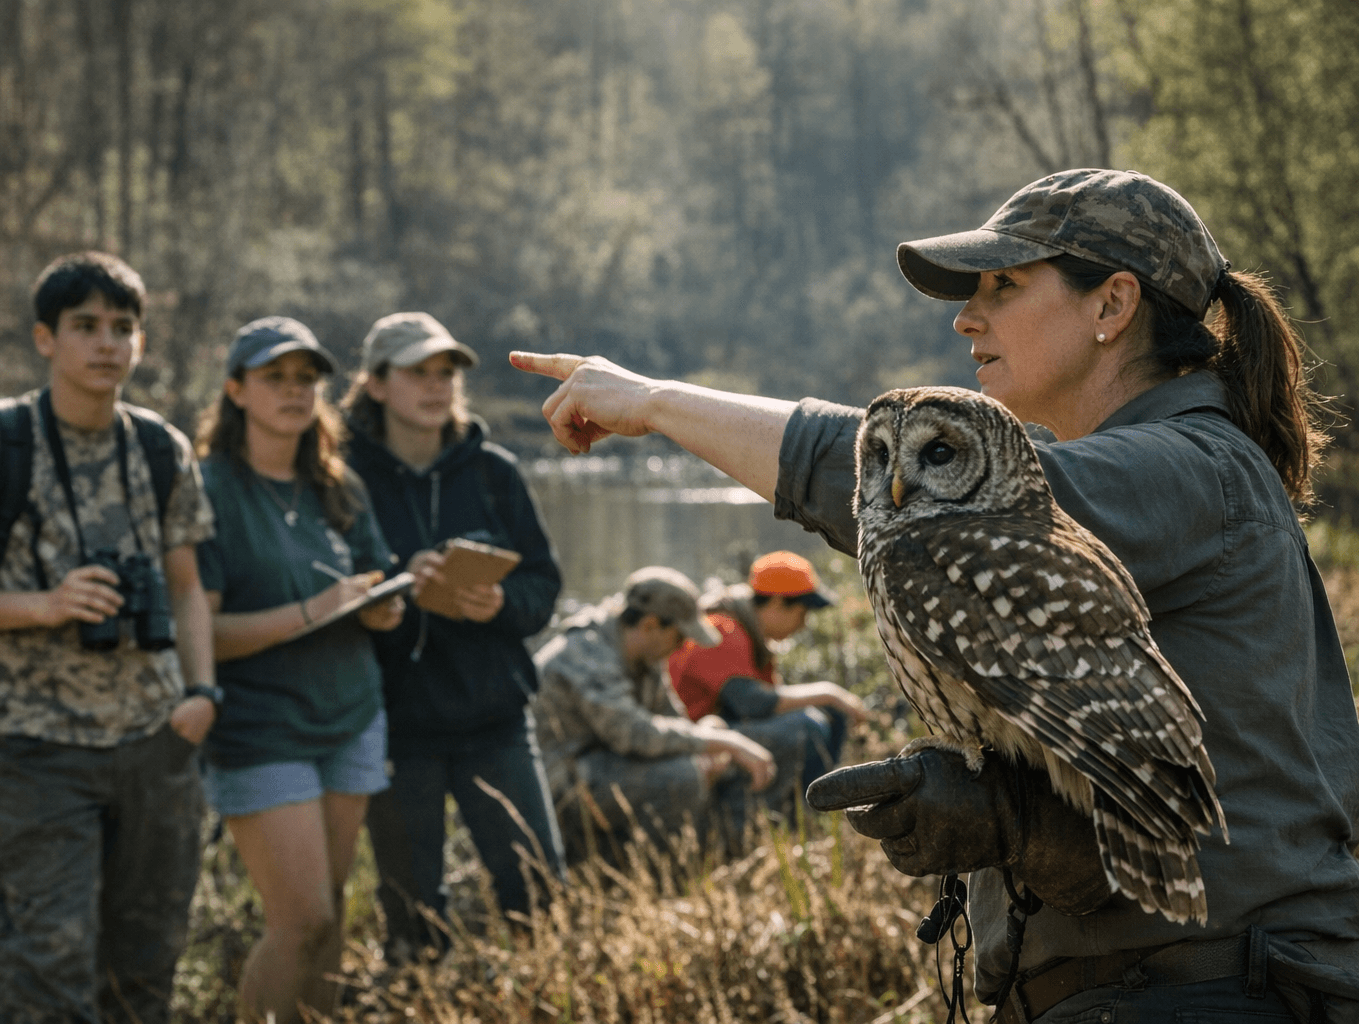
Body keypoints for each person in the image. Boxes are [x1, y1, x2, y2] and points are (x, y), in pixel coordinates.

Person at [512, 168, 1359, 1021]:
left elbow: (958, 512)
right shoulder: (1178, 469)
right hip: (1157, 984)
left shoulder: (1186, 467)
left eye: (1003, 284)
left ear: (1113, 306)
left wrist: (657, 403)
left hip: (1211, 991)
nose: (966, 317)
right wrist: (1011, 814)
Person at [0, 252, 217, 1024]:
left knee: (147, 961)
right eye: (86, 327)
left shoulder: (160, 447)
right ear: (46, 338)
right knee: (49, 960)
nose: (108, 345)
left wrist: (203, 692)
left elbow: (186, 588)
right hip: (35, 746)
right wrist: (44, 605)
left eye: (124, 328)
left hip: (154, 738)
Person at [193, 317, 404, 1021]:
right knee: (300, 922)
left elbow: (370, 585)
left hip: (350, 715)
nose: (294, 392)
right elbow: (203, 635)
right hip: (260, 729)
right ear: (235, 390)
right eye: (274, 378)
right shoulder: (208, 490)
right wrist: (315, 611)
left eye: (307, 379)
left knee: (333, 916)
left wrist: (382, 609)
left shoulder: (338, 485)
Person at [340, 311, 567, 963]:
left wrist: (498, 601)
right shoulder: (340, 477)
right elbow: (324, 594)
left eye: (446, 372)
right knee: (414, 921)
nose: (437, 386)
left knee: (540, 896)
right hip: (394, 724)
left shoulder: (494, 471)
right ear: (376, 385)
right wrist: (392, 584)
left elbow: (544, 589)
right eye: (418, 372)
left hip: (494, 717)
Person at [532, 566, 796, 863]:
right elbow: (633, 734)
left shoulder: (645, 653)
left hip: (602, 764)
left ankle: (723, 855)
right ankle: (666, 878)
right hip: (557, 785)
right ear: (650, 625)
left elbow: (672, 720)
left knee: (714, 761)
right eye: (680, 637)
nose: (683, 647)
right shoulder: (586, 654)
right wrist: (723, 742)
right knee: (683, 777)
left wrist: (711, 733)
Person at [668, 550, 867, 792]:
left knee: (830, 712)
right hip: (689, 744)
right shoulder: (723, 628)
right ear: (777, 602)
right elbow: (750, 703)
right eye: (801, 613)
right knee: (807, 727)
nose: (803, 624)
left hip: (718, 731)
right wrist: (828, 692)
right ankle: (788, 815)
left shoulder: (746, 628)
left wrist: (831, 700)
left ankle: (819, 804)